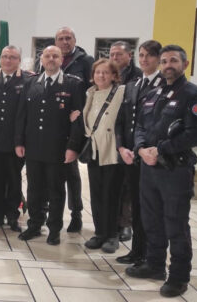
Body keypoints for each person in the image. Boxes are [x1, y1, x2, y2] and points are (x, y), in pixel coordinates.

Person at [125, 45, 197, 298]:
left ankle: (178, 277)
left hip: (175, 170)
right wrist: (141, 148)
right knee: (151, 221)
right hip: (149, 169)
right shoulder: (154, 92)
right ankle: (154, 265)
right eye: (164, 61)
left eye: (173, 60)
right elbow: (140, 124)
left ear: (185, 63)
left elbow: (195, 134)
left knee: (175, 224)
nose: (168, 65)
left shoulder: (194, 95)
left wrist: (160, 150)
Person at [15, 45, 84, 245]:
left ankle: (54, 229)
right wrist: (19, 141)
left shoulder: (72, 84)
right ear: (42, 60)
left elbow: (78, 121)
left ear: (61, 60)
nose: (51, 59)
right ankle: (35, 225)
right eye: (47, 56)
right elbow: (22, 115)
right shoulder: (31, 83)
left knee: (56, 190)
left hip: (58, 149)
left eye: (55, 56)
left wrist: (73, 147)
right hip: (34, 147)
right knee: (34, 189)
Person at [114, 40, 164, 266]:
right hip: (131, 156)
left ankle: (151, 255)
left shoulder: (165, 85)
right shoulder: (133, 85)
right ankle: (137, 251)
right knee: (135, 203)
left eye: (150, 56)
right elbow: (122, 121)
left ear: (158, 59)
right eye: (142, 55)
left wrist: (144, 150)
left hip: (151, 158)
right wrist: (122, 147)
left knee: (150, 209)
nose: (145, 60)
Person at [0, 45, 32, 232]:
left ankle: (13, 217)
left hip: (16, 144)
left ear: (19, 60)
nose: (8, 60)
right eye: (5, 56)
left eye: (13, 57)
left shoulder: (27, 79)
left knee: (15, 182)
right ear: (0, 58)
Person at [80, 59, 125, 253]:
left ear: (114, 76)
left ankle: (113, 235)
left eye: (106, 72)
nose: (101, 76)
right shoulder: (90, 93)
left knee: (112, 194)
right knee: (96, 194)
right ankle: (100, 233)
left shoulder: (121, 92)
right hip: (94, 150)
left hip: (111, 151)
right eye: (98, 72)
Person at [54, 26, 93, 233]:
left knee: (71, 171)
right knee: (52, 172)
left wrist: (81, 112)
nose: (65, 41)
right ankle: (51, 213)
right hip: (53, 125)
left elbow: (93, 90)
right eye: (61, 38)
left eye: (68, 38)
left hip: (75, 123)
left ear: (75, 40)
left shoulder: (85, 62)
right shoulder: (49, 60)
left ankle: (76, 214)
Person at [111, 40, 143, 242]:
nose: (114, 58)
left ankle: (126, 224)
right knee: (112, 183)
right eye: (112, 55)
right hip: (109, 134)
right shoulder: (107, 73)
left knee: (127, 186)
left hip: (128, 136)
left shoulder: (137, 77)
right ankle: (112, 221)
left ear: (129, 56)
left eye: (119, 55)